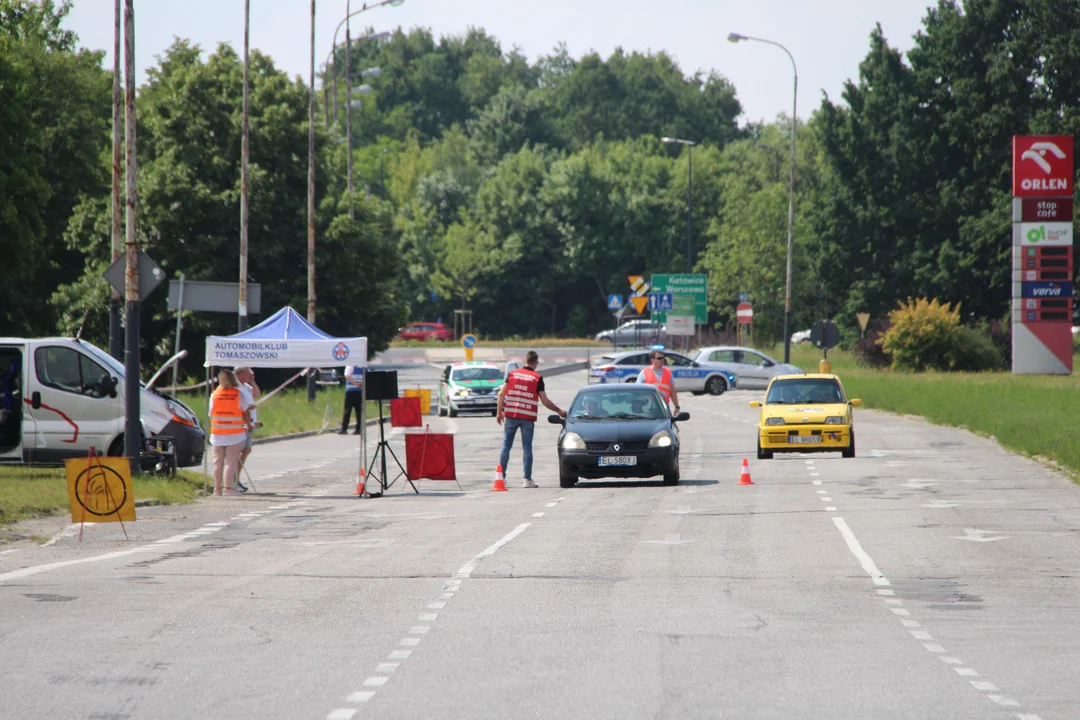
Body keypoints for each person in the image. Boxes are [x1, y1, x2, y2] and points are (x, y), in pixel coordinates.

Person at [496, 351, 566, 488]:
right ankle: (527, 479)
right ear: (536, 363)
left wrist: (499, 413)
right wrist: (559, 411)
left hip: (511, 415)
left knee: (506, 446)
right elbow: (545, 401)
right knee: (527, 448)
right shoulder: (536, 378)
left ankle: (501, 477)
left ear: (525, 361)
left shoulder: (513, 374)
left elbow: (500, 394)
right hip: (527, 418)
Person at [209, 369, 252, 496]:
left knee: (218, 462)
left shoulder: (214, 394)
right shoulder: (238, 394)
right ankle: (228, 488)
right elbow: (245, 412)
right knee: (231, 462)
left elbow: (210, 413)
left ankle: (217, 489)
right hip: (234, 433)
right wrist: (248, 425)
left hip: (217, 433)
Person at [234, 366, 261, 491]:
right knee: (239, 451)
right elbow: (241, 407)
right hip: (241, 423)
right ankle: (233, 479)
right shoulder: (235, 387)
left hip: (249, 423)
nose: (250, 376)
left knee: (247, 450)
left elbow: (257, 395)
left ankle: (236, 478)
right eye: (248, 374)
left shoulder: (246, 387)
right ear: (241, 374)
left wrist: (253, 381)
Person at [637, 349, 681, 415]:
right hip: (648, 409)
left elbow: (673, 392)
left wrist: (677, 406)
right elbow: (638, 391)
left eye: (663, 358)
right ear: (652, 360)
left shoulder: (668, 373)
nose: (662, 360)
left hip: (664, 409)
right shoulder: (644, 373)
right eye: (659, 358)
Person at [339, 364, 365, 434]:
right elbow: (347, 376)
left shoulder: (363, 366)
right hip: (351, 391)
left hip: (359, 391)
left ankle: (358, 429)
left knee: (359, 411)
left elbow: (367, 376)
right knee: (348, 410)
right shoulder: (351, 365)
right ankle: (344, 428)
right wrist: (356, 383)